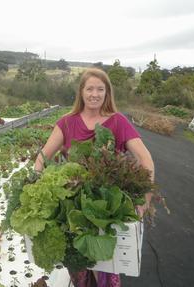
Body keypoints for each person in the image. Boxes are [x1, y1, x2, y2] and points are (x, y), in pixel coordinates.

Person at [34, 68, 154, 287]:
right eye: (90, 88)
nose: (95, 94)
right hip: (73, 211)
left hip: (106, 209)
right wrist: (36, 188)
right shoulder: (67, 122)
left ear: (107, 93)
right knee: (79, 270)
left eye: (100, 89)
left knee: (107, 270)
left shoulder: (118, 121)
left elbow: (146, 160)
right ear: (81, 91)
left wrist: (144, 201)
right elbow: (41, 160)